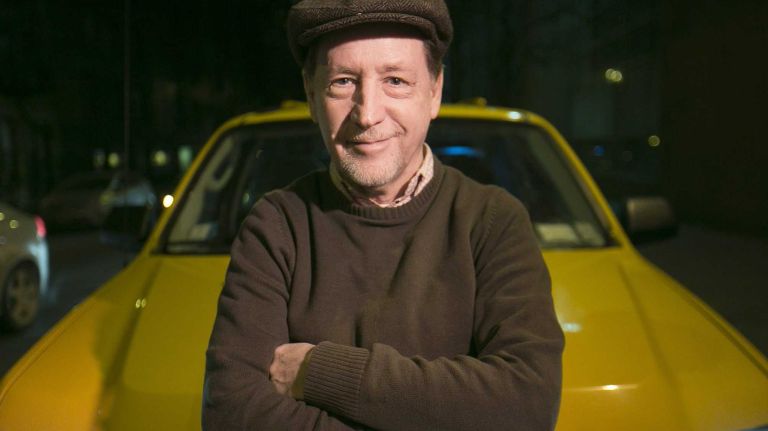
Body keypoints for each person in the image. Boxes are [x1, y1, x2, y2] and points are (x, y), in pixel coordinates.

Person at [202, 1, 564, 429]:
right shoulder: (276, 227)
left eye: (395, 80)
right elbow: (232, 413)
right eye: (342, 82)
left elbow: (526, 405)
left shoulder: (492, 221)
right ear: (311, 95)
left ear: (434, 91)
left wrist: (319, 371)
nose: (367, 113)